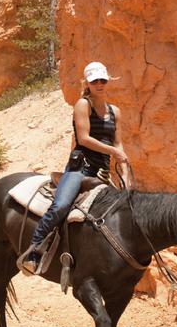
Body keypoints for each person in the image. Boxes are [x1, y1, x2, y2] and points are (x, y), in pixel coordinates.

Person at [21, 62, 130, 275]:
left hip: (103, 172)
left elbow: (119, 145)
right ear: (87, 83)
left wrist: (125, 172)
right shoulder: (83, 104)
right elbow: (84, 138)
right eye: (95, 81)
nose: (99, 84)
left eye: (103, 80)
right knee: (61, 206)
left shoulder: (115, 111)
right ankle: (33, 252)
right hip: (81, 169)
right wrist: (113, 152)